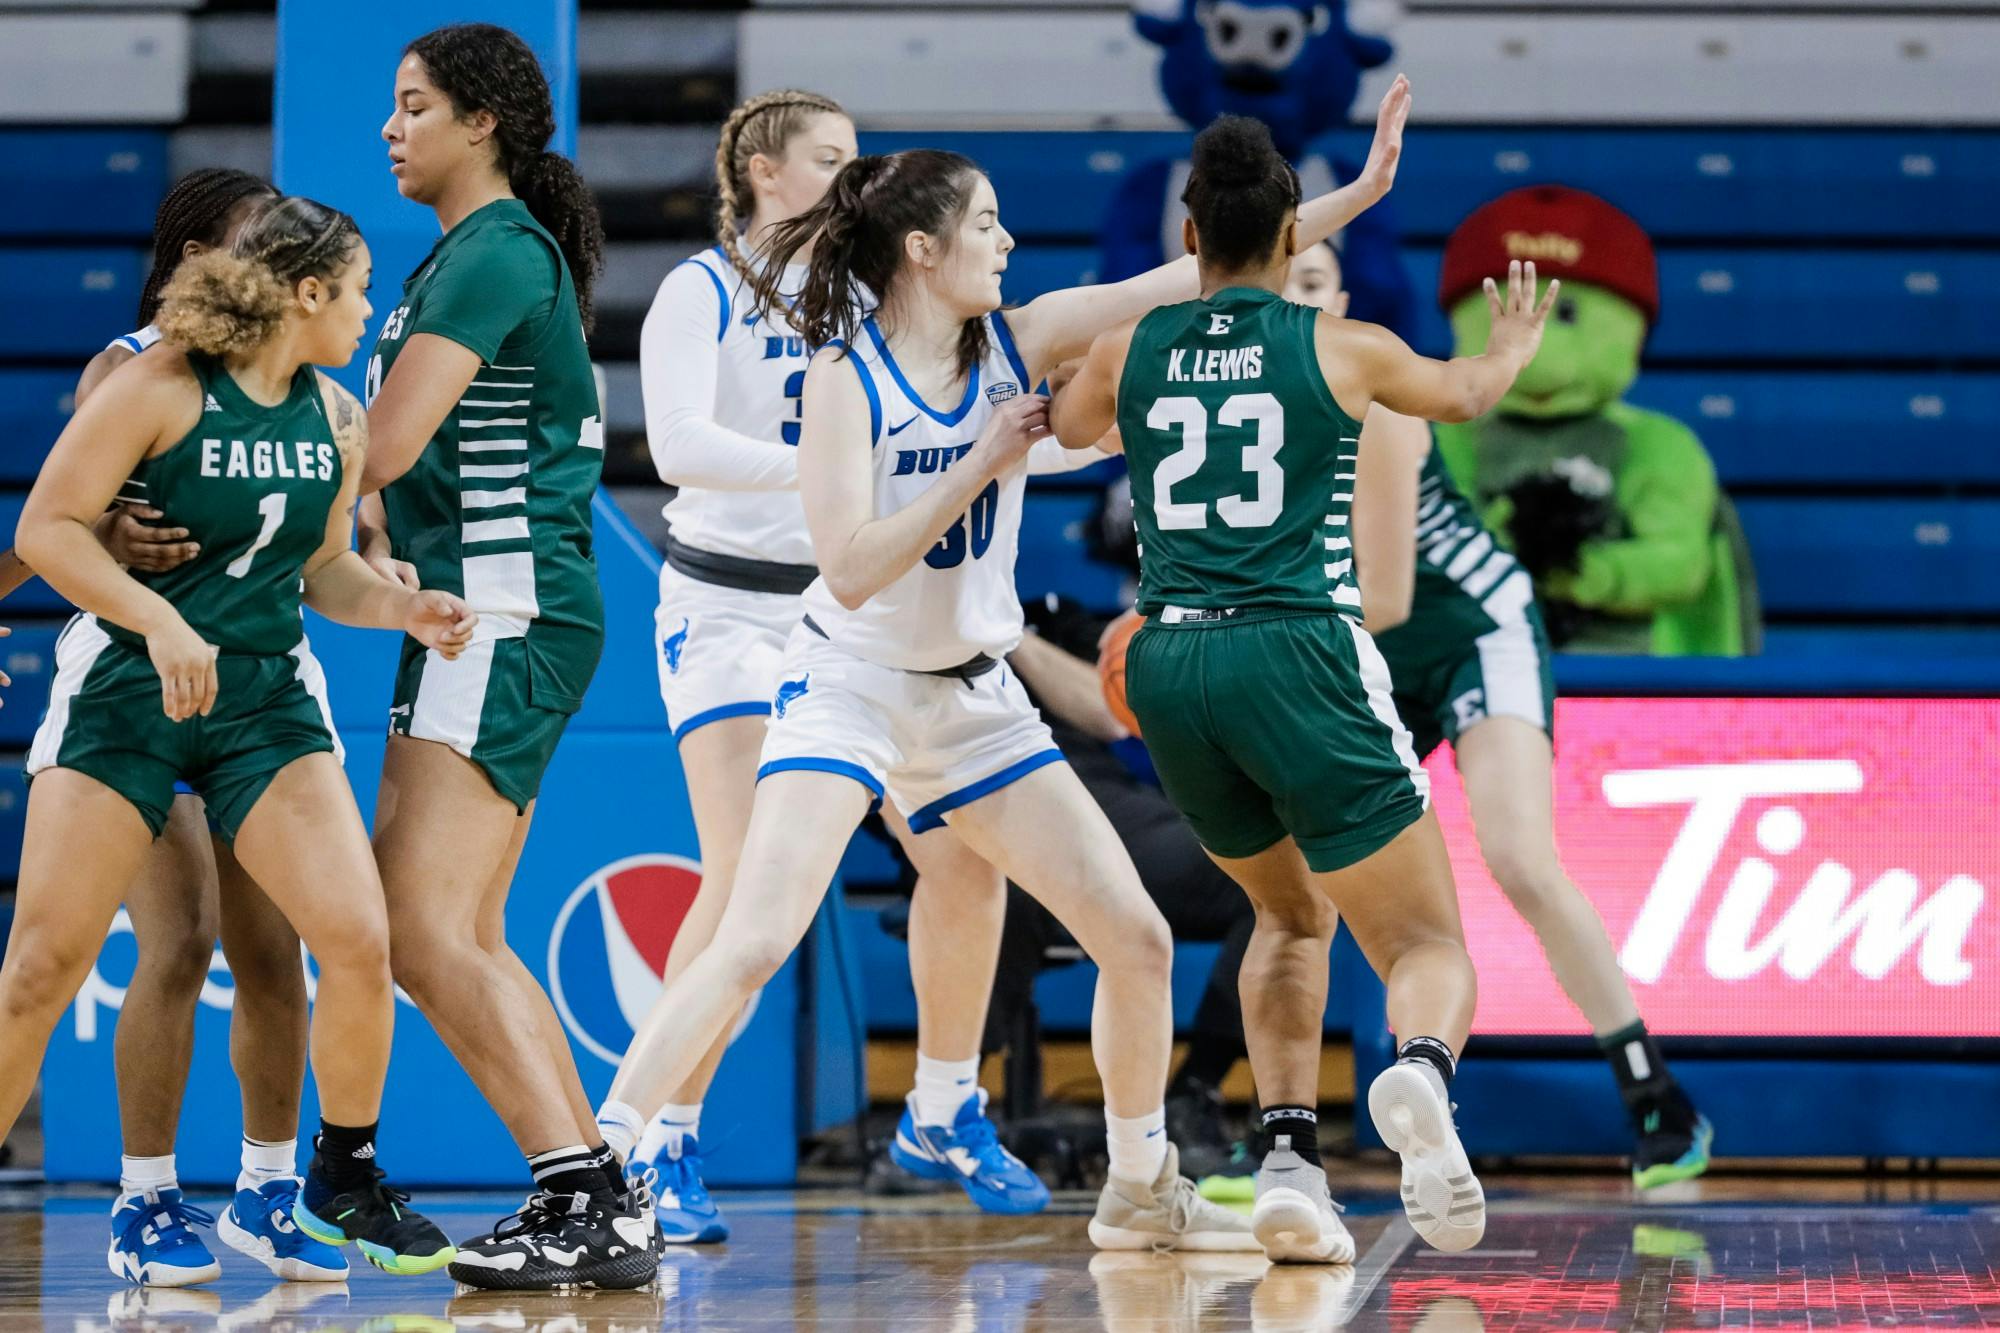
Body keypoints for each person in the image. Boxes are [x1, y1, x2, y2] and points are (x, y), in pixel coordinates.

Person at [589, 73, 1415, 1255]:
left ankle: (1135, 1184)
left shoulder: (1015, 339)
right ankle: (600, 1162)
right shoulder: (840, 372)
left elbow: (1186, 274)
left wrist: (1357, 194)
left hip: (974, 701)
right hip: (847, 680)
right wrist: (981, 460)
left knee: (1128, 933)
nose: (1009, 241)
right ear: (922, 250)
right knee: (753, 929)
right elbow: (859, 568)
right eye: (986, 225)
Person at [1053, 115, 1558, 1260]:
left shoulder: (1131, 345)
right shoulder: (1344, 347)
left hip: (1172, 663)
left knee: (1285, 913)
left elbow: (1073, 430)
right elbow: (1467, 392)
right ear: (1292, 236)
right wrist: (1514, 345)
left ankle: (1286, 1157)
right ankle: (1419, 1074)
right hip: (1297, 649)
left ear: (1188, 234)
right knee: (1428, 945)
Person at [603, 88, 1059, 1234]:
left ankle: (945, 1103)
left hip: (844, 612)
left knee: (961, 855)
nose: (852, 179)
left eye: (863, 163)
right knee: (743, 879)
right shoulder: (697, 289)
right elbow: (678, 447)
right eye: (830, 159)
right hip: (721, 610)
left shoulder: (880, 300)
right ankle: (665, 1140)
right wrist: (833, 469)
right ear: (762, 170)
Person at [2, 195, 467, 1277]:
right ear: (306, 292)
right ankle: (149, 1190)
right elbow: (45, 528)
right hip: (127, 690)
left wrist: (404, 605)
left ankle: (337, 1178)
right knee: (42, 967)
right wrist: (159, 618)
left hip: (260, 699)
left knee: (356, 940)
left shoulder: (338, 412)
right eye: (355, 291)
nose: (367, 312)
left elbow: (323, 572)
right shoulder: (157, 385)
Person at [1304, 261, 1716, 1193]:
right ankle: (1235, 1108)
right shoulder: (1247, 414)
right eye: (1280, 280)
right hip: (1369, 641)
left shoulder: (1373, 400)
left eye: (1315, 281)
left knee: (1521, 857)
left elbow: (1392, 597)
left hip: (1463, 625)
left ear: (1340, 302)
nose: (1293, 298)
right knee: (1306, 874)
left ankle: (1655, 1093)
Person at [358, 23, 656, 1291]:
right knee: (455, 928)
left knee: (425, 932)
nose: (391, 128)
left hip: (501, 606)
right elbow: (389, 482)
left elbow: (375, 449)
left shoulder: (489, 255)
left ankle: (586, 1193)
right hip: (481, 605)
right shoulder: (465, 257)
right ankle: (595, 1196)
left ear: (481, 122)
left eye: (413, 105)